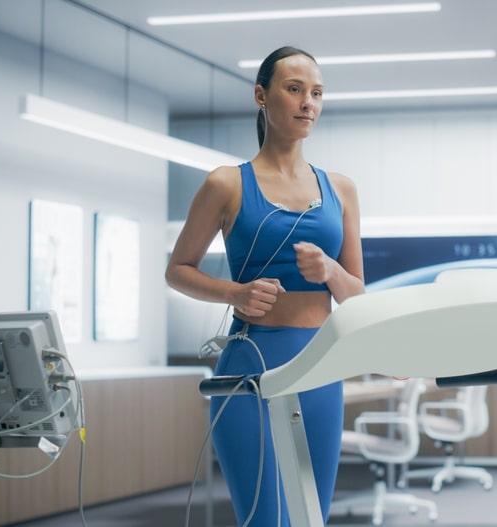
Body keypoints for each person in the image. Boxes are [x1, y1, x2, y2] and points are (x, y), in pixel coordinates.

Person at [165, 46, 365, 526]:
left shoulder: (340, 189)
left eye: (316, 93)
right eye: (294, 89)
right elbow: (178, 269)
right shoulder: (226, 184)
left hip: (320, 366)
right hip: (249, 366)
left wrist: (331, 271)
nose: (307, 103)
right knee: (263, 518)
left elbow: (357, 295)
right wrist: (233, 293)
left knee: (310, 517)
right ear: (261, 96)